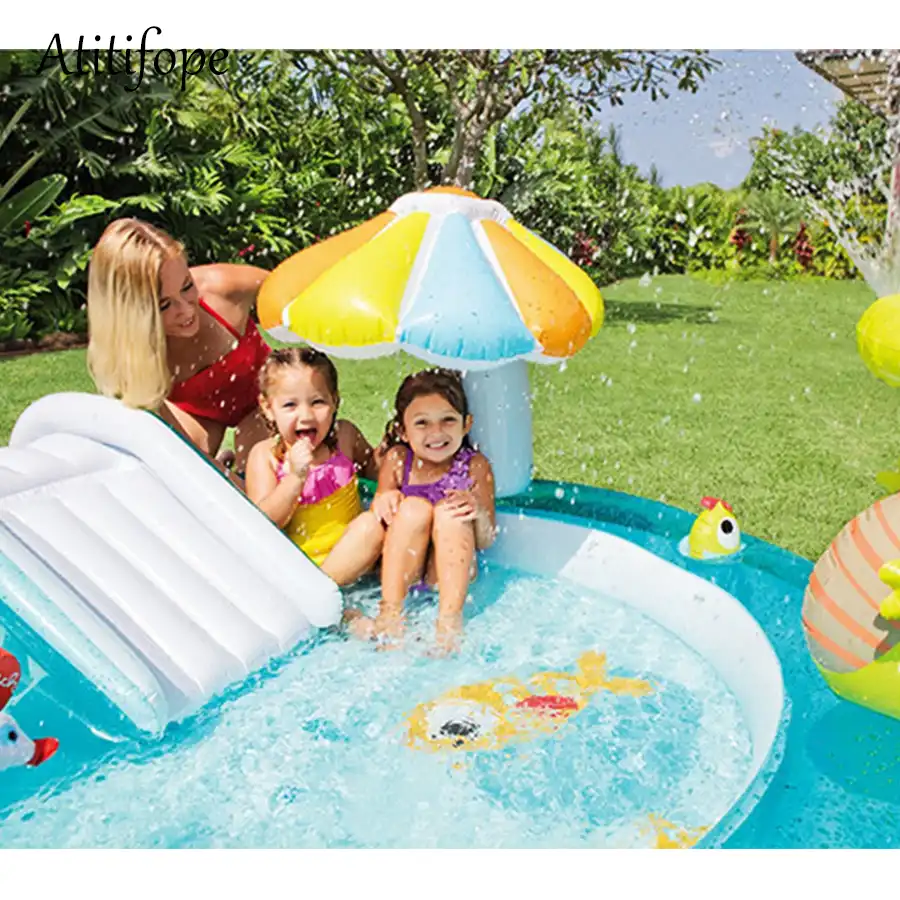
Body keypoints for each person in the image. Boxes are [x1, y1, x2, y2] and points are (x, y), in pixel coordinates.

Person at [86, 217, 272, 476]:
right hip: (199, 414)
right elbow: (175, 436)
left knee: (261, 475)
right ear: (133, 315)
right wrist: (212, 468)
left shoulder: (222, 287)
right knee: (182, 473)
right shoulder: (134, 352)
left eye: (187, 287)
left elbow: (292, 290)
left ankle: (234, 464)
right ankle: (225, 463)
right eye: (164, 305)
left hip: (264, 399)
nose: (186, 310)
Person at [354, 369, 497, 652]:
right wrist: (385, 498)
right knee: (413, 510)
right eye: (422, 423)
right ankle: (391, 611)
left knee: (450, 513)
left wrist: (477, 510)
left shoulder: (475, 466)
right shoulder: (397, 460)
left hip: (445, 577)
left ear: (466, 424)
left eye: (448, 420)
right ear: (403, 431)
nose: (436, 433)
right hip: (407, 570)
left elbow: (487, 539)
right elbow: (382, 508)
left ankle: (449, 621)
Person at [245, 347, 386, 588]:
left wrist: (394, 459)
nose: (306, 416)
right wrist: (295, 478)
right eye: (290, 405)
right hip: (299, 573)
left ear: (335, 401)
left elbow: (378, 473)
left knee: (371, 524)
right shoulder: (265, 456)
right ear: (268, 408)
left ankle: (329, 593)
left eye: (318, 402)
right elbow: (261, 526)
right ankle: (323, 595)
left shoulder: (345, 437)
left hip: (353, 562)